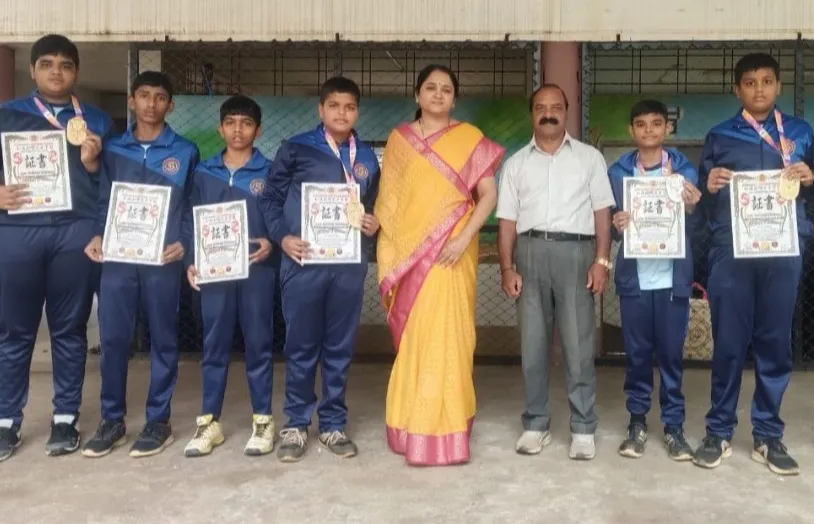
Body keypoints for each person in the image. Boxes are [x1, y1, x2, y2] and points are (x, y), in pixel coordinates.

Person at [0, 34, 112, 463]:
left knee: (70, 330)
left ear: (76, 72)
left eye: (65, 65)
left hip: (75, 233)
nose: (56, 72)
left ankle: (65, 418)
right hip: (17, 232)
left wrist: (92, 165)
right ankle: (5, 422)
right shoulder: (7, 115)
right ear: (32, 70)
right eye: (46, 64)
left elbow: (110, 185)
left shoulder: (97, 120)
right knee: (15, 331)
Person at [694, 53, 814, 475]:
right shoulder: (719, 136)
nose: (759, 89)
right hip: (731, 250)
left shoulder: (801, 132)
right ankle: (719, 430)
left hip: (783, 249)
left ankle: (768, 434)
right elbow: (702, 199)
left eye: (767, 81)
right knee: (729, 343)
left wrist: (812, 179)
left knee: (774, 342)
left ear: (779, 86)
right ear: (737, 90)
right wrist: (709, 185)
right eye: (750, 82)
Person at [375, 64, 504, 466]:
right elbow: (390, 203)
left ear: (454, 98)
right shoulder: (399, 140)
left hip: (453, 252)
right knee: (418, 338)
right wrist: (394, 246)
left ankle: (445, 430)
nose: (437, 94)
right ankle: (410, 423)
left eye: (446, 89)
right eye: (430, 88)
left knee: (450, 337)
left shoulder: (470, 138)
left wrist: (463, 239)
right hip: (411, 255)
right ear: (417, 95)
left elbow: (488, 195)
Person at [260, 77, 381, 462]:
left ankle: (332, 424)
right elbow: (270, 200)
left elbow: (372, 206)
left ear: (357, 111)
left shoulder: (367, 157)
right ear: (321, 109)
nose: (342, 113)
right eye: (334, 106)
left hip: (347, 266)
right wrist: (283, 238)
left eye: (349, 107)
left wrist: (374, 223)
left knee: (339, 346)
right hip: (303, 262)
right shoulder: (296, 148)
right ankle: (296, 424)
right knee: (301, 345)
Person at [81, 71, 200, 458]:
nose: (152, 103)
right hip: (118, 258)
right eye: (144, 95)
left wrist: (184, 242)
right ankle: (112, 420)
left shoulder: (185, 151)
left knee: (163, 338)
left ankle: (158, 421)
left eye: (160, 97)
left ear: (171, 105)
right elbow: (102, 199)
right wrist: (97, 233)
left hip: (162, 260)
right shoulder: (113, 149)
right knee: (114, 339)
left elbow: (191, 205)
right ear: (132, 101)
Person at [497, 84, 614, 461]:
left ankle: (583, 427)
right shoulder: (516, 164)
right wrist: (507, 267)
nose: (548, 113)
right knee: (533, 346)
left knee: (579, 346)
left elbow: (602, 213)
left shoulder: (589, 159)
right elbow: (507, 222)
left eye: (556, 107)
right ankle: (535, 424)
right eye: (541, 107)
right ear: (532, 114)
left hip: (576, 254)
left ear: (566, 111)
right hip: (529, 253)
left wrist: (601, 260)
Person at [182, 95, 277, 457]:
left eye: (246, 123)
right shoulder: (203, 172)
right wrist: (191, 260)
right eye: (231, 123)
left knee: (259, 344)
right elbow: (189, 220)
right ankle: (209, 422)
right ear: (220, 128)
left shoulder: (270, 172)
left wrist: (272, 243)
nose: (238, 130)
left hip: (257, 272)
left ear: (258, 130)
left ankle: (263, 420)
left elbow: (282, 217)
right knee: (214, 345)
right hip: (215, 273)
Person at [607, 100, 701, 461]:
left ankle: (674, 427)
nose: (649, 130)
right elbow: (608, 225)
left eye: (656, 123)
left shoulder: (684, 171)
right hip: (635, 280)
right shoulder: (618, 173)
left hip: (672, 278)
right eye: (641, 124)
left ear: (668, 129)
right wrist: (616, 224)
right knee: (637, 355)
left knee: (671, 356)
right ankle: (637, 422)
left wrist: (692, 207)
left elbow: (697, 224)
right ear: (631, 130)